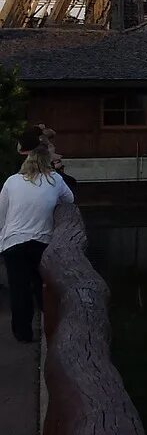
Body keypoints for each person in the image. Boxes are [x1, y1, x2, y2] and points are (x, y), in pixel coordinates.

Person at [0, 124, 75, 343]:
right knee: (43, 286)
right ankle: (53, 326)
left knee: (18, 289)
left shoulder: (12, 181)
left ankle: (22, 333)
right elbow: (69, 200)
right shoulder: (55, 180)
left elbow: (1, 213)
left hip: (13, 243)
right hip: (42, 242)